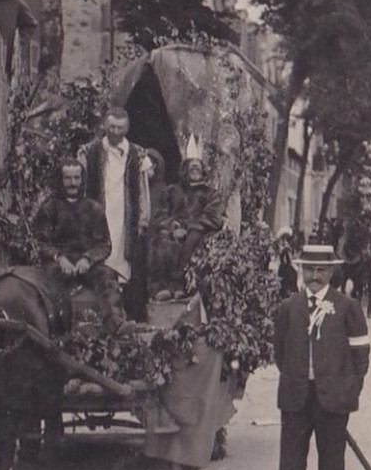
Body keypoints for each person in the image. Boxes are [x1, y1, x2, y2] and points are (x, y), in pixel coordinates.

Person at [252, 244, 370, 470]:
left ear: (330, 271)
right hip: (296, 394)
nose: (314, 275)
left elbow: (360, 356)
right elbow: (280, 352)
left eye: (320, 270)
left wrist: (348, 390)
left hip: (333, 397)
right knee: (291, 457)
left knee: (331, 457)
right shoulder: (288, 307)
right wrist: (297, 376)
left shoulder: (347, 307)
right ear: (301, 271)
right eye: (309, 269)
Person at [32, 158, 127, 333]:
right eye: (68, 178)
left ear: (82, 179)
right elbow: (40, 243)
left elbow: (104, 244)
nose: (72, 183)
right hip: (59, 263)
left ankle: (116, 324)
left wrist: (87, 259)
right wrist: (59, 258)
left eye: (76, 178)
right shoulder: (49, 208)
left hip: (86, 263)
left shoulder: (94, 209)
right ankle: (56, 329)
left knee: (107, 276)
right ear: (60, 180)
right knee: (48, 280)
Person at [79, 107, 153, 321]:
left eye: (120, 128)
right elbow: (82, 186)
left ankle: (121, 314)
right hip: (100, 210)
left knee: (122, 257)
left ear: (126, 128)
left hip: (124, 212)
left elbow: (143, 190)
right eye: (111, 127)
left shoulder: (136, 154)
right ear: (104, 125)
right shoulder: (90, 151)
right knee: (101, 254)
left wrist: (142, 219)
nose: (115, 132)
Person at [150, 157, 226, 296]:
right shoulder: (170, 191)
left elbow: (212, 218)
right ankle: (161, 288)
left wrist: (186, 226)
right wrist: (173, 226)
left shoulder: (212, 194)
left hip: (198, 232)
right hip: (173, 229)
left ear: (203, 171)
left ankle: (180, 286)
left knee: (193, 239)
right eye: (191, 167)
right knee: (161, 239)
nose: (195, 169)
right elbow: (160, 216)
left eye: (198, 167)